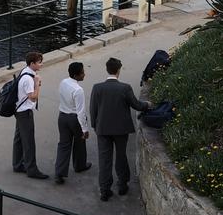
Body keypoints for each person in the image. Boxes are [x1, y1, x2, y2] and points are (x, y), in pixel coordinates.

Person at [89, 57, 152, 201]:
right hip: (121, 129)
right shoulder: (125, 88)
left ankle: (104, 190)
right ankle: (122, 185)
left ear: (107, 69)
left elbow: (93, 109)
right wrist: (147, 104)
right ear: (118, 70)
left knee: (104, 159)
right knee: (121, 156)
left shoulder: (97, 87)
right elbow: (136, 105)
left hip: (103, 129)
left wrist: (95, 125)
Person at [11, 51, 49, 179]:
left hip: (19, 110)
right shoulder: (28, 78)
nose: (41, 64)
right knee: (28, 141)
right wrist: (37, 84)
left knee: (19, 138)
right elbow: (33, 97)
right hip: (25, 112)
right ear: (32, 63)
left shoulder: (25, 72)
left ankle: (17, 164)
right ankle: (31, 169)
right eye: (39, 62)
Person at [53, 61, 92, 184]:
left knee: (63, 144)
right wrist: (85, 129)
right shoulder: (78, 90)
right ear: (76, 75)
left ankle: (59, 172)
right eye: (82, 73)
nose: (84, 74)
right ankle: (80, 165)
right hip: (74, 119)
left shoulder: (63, 82)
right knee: (80, 143)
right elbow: (81, 112)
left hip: (62, 116)